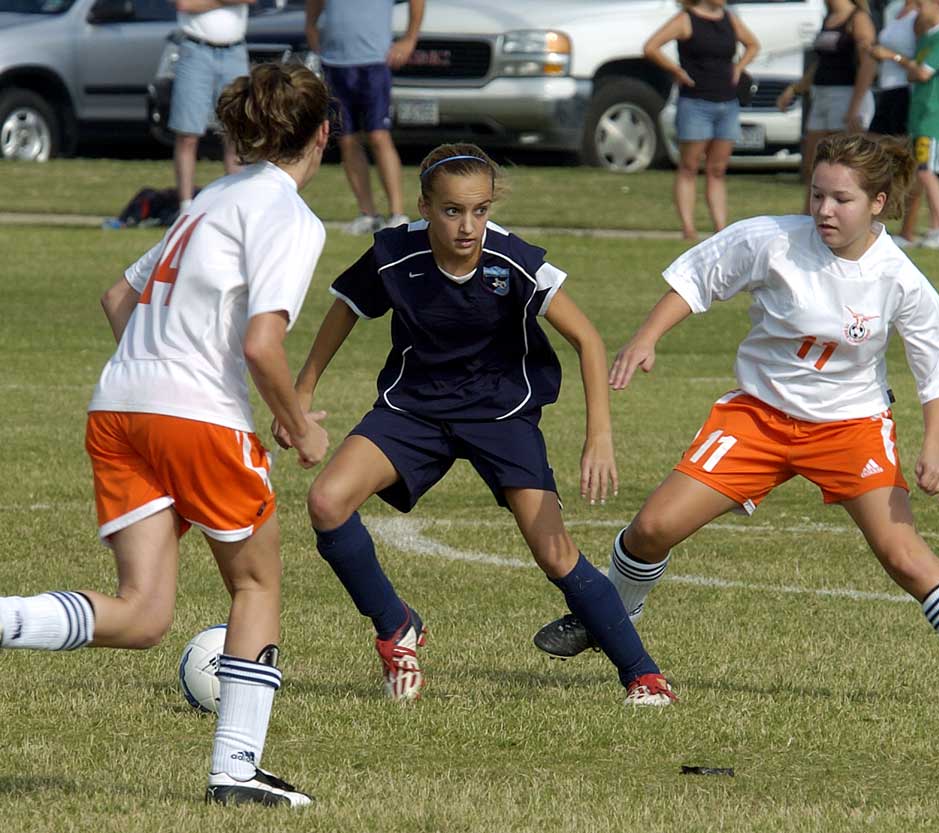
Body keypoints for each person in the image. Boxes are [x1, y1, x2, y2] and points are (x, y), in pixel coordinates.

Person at [533, 133, 939, 710]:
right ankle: (612, 614)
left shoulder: (898, 277)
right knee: (653, 527)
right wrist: (646, 338)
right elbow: (696, 280)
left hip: (850, 428)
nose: (824, 210)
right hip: (758, 419)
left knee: (904, 556)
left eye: (842, 200)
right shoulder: (772, 239)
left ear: (878, 203)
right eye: (817, 195)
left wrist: (933, 450)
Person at [0, 63, 333, 806]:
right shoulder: (288, 215)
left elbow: (117, 296)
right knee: (256, 583)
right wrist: (298, 427)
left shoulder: (209, 198)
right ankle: (235, 771)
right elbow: (262, 346)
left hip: (119, 406)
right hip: (196, 417)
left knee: (144, 613)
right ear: (323, 133)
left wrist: (154, 378)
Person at [279, 142, 677, 707]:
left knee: (555, 554)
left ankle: (643, 675)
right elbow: (347, 308)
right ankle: (396, 627)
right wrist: (302, 392)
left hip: (501, 415)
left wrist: (599, 438)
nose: (468, 226)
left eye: (480, 210)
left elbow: (587, 339)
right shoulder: (394, 254)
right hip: (413, 409)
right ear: (424, 207)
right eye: (452, 211)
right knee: (326, 502)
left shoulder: (513, 261)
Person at [305, 0, 425, 235]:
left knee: (378, 136)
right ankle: (368, 213)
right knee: (346, 139)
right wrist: (311, 29)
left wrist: (410, 38)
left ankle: (397, 214)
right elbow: (313, 8)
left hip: (374, 62)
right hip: (335, 63)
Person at [643, 0, 759, 241]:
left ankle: (721, 228)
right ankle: (688, 228)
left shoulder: (729, 18)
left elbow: (752, 44)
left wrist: (739, 67)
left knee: (717, 169)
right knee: (689, 166)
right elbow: (651, 47)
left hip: (727, 102)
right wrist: (676, 71)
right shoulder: (686, 19)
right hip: (695, 102)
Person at [871, 0, 939, 249]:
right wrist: (910, 66)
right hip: (922, 116)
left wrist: (894, 57)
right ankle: (928, 229)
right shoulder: (927, 38)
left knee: (925, 171)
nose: (918, 10)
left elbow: (921, 73)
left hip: (937, 116)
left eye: (923, 5)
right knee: (921, 171)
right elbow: (914, 72)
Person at [776, 0, 877, 206]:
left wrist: (854, 107)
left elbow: (868, 63)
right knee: (813, 165)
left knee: (841, 166)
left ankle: (841, 214)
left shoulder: (858, 18)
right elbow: (821, 63)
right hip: (821, 95)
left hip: (846, 94)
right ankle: (808, 217)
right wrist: (795, 88)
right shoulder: (828, 18)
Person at [170, 0, 253, 215]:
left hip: (234, 49)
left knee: (236, 134)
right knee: (187, 135)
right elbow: (184, 4)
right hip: (195, 49)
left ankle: (236, 206)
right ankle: (186, 209)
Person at [867, 0, 923, 243]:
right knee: (872, 155)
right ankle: (873, 221)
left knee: (906, 162)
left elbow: (920, 63)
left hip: (904, 92)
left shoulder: (920, 16)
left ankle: (907, 229)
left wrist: (891, 56)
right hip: (887, 90)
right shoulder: (896, 10)